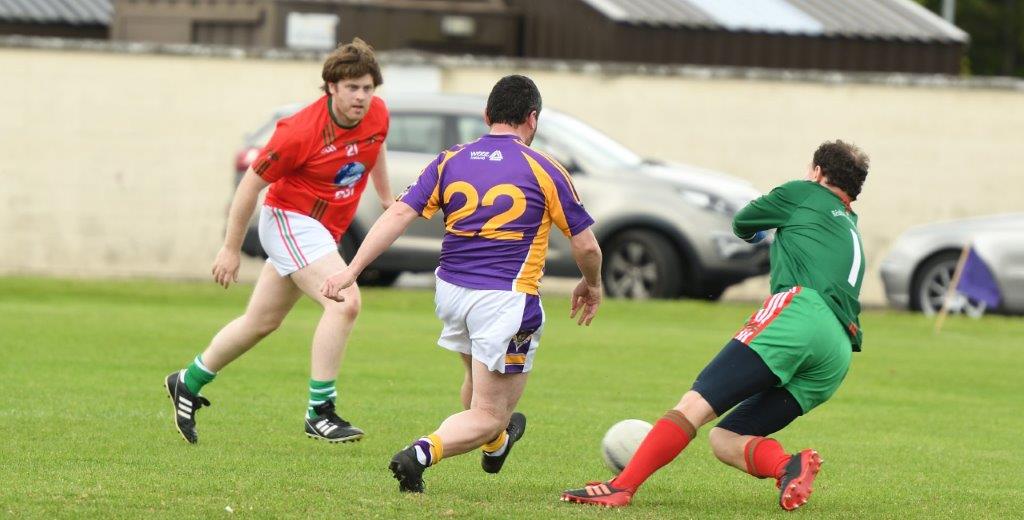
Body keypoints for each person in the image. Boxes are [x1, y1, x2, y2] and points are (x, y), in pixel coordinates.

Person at [320, 74, 604, 493]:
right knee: (491, 411)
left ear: (487, 116)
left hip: (451, 292)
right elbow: (587, 246)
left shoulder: (450, 159)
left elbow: (398, 214)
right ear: (533, 119)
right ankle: (421, 453)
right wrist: (592, 283)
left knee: (478, 392)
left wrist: (351, 269)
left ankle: (496, 442)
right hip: (505, 300)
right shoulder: (544, 168)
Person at [561, 140, 869, 511]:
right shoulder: (850, 225)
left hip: (802, 315)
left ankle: (621, 486)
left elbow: (743, 223)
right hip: (837, 352)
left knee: (695, 404)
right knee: (725, 438)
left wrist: (758, 233)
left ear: (818, 173)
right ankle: (788, 465)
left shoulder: (804, 192)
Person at [164, 38, 393, 444]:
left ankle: (188, 380)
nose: (361, 97)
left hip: (321, 231)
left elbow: (376, 148)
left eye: (367, 88)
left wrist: (387, 198)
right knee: (345, 301)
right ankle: (319, 412)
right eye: (352, 87)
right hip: (290, 219)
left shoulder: (376, 114)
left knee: (261, 322)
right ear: (331, 87)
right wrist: (231, 248)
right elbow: (250, 184)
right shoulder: (298, 132)